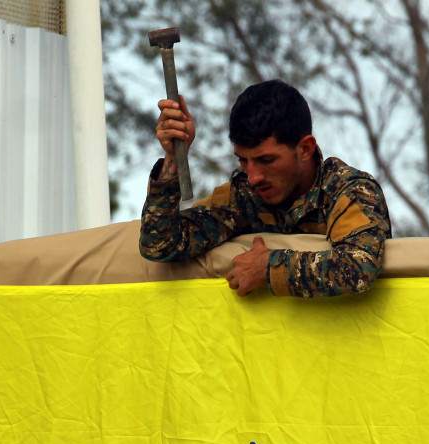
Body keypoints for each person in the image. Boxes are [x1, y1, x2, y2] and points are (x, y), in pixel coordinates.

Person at [139, 80, 390, 298]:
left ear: (305, 149)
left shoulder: (348, 191)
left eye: (266, 160)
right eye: (243, 160)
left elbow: (360, 268)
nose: (254, 176)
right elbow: (161, 245)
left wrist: (268, 267)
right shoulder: (243, 195)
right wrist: (173, 157)